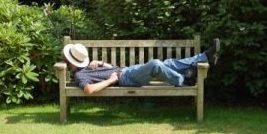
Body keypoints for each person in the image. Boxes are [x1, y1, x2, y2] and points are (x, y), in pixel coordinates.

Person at [63, 38, 220, 95]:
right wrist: (110, 81)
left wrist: (103, 63)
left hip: (126, 70)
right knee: (155, 65)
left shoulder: (89, 67)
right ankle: (184, 80)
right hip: (125, 78)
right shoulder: (80, 76)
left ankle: (206, 56)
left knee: (168, 63)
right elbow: (89, 90)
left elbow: (113, 67)